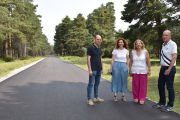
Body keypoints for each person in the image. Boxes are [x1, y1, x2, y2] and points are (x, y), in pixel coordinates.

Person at [152, 30, 177, 112]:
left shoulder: (173, 44)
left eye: (166, 35)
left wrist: (169, 69)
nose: (164, 36)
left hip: (170, 69)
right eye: (163, 35)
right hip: (162, 68)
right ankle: (162, 103)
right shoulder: (163, 44)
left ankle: (170, 105)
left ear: (170, 36)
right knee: (160, 85)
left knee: (170, 87)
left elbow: (174, 57)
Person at [129, 40, 151, 105]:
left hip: (143, 71)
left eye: (139, 43)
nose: (138, 45)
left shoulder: (145, 52)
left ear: (142, 44)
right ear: (135, 45)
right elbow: (131, 62)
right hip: (135, 70)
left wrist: (149, 70)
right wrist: (130, 70)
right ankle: (136, 97)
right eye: (137, 44)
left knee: (143, 85)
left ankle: (142, 98)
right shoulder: (132, 52)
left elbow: (148, 61)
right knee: (135, 85)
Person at [87, 35, 104, 106]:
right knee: (91, 84)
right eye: (97, 39)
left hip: (99, 69)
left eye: (100, 39)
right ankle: (89, 99)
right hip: (93, 69)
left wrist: (102, 68)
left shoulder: (99, 48)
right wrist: (90, 70)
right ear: (94, 39)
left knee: (97, 84)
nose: (99, 41)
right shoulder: (90, 48)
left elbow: (100, 58)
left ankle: (96, 97)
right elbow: (88, 59)